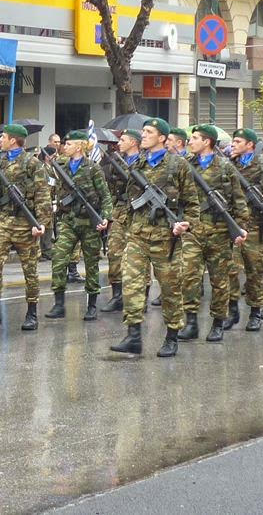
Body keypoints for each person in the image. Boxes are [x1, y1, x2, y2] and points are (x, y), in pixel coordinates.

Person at [110, 118, 200, 358]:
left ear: (162, 137)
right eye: (143, 131)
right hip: (138, 236)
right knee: (131, 285)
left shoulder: (178, 165)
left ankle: (172, 336)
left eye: (149, 132)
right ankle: (134, 336)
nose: (144, 135)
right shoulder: (138, 163)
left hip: (166, 239)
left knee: (171, 289)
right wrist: (123, 223)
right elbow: (129, 200)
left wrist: (185, 225)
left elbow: (192, 204)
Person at [178, 125, 249, 342]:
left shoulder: (226, 168)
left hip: (219, 232)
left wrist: (239, 227)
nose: (190, 141)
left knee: (220, 280)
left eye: (196, 138)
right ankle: (191, 322)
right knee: (188, 276)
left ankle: (218, 321)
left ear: (207, 142)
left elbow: (239, 201)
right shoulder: (185, 166)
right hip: (193, 231)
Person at [0, 123, 52, 331]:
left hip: (25, 223)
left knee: (30, 269)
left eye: (4, 137)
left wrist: (41, 224)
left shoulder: (32, 163)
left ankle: (32, 311)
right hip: (3, 219)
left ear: (13, 140)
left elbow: (42, 194)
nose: (0, 140)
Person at [44, 130, 112, 321]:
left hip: (89, 222)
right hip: (68, 221)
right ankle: (59, 304)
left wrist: (105, 217)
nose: (64, 147)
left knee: (91, 263)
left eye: (68, 144)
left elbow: (105, 195)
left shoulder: (92, 168)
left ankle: (92, 305)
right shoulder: (61, 166)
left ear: (79, 147)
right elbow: (49, 181)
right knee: (58, 258)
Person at [223, 128, 263, 331]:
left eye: (238, 141)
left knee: (255, 271)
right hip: (235, 225)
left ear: (250, 144)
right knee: (231, 270)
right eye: (233, 140)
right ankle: (232, 310)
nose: (234, 144)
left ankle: (255, 312)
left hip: (257, 226)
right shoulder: (229, 163)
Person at [100, 129, 141, 313]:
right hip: (119, 210)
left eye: (123, 140)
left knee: (139, 256)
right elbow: (108, 189)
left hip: (140, 212)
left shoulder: (145, 162)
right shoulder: (114, 162)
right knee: (114, 252)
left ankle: (142, 296)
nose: (119, 143)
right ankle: (117, 295)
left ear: (133, 142)